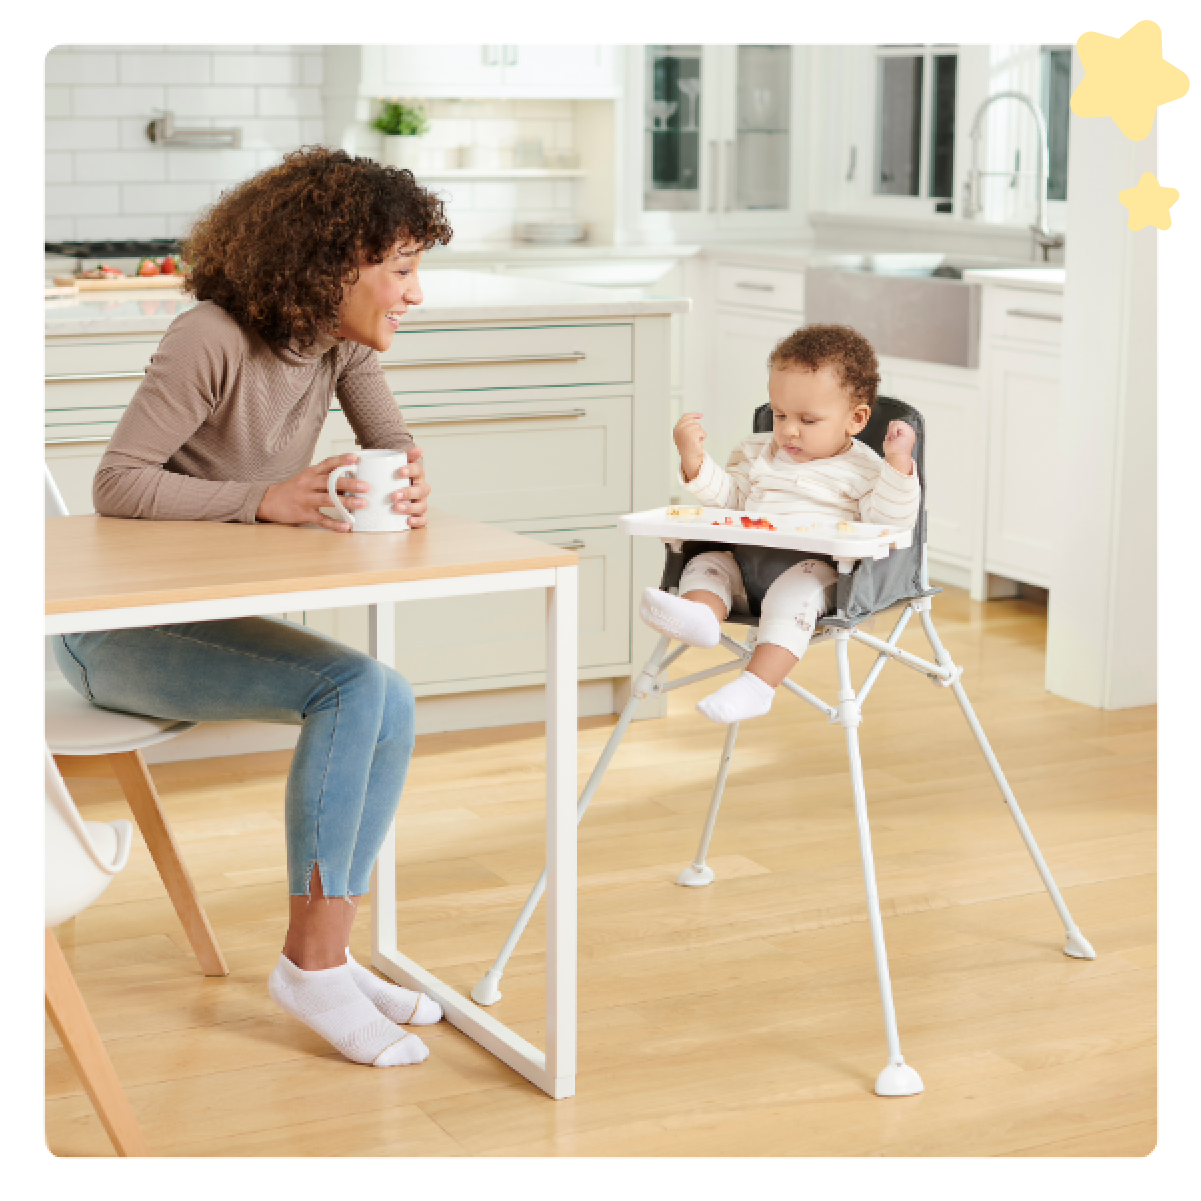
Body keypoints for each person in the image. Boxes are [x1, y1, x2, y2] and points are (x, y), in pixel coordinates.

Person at [52, 148, 454, 1069]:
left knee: (384, 692)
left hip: (204, 616)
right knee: (353, 689)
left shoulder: (338, 342)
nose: (413, 293)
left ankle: (331, 955)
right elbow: (115, 481)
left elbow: (388, 439)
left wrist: (404, 477)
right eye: (400, 268)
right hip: (111, 634)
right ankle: (310, 966)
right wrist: (265, 497)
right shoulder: (211, 337)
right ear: (332, 262)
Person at [640, 324, 920, 724]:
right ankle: (700, 617)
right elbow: (731, 502)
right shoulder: (757, 452)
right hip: (745, 562)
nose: (788, 429)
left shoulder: (866, 470)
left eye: (807, 420)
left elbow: (888, 523)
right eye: (780, 414)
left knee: (796, 593)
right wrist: (693, 460)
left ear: (855, 419)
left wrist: (898, 466)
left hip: (814, 571)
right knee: (707, 563)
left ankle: (756, 686)